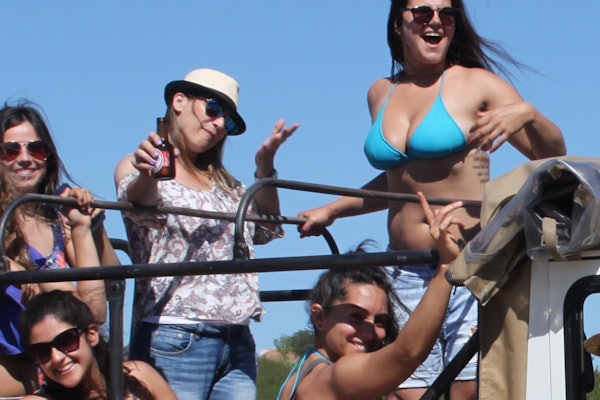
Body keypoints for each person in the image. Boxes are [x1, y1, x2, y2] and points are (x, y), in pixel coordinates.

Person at [298, 1, 566, 399]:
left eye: (447, 14)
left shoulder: (478, 83)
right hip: (402, 268)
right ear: (398, 23)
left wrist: (528, 114)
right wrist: (333, 209)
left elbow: (552, 154)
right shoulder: (379, 92)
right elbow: (399, 181)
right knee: (409, 391)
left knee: (467, 390)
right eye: (423, 12)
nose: (436, 21)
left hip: (464, 261)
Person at [114, 67, 299, 400]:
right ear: (179, 101)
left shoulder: (227, 184)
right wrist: (148, 175)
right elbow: (139, 205)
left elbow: (267, 229)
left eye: (228, 122)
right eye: (213, 109)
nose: (218, 124)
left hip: (237, 338)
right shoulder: (137, 164)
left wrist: (264, 167)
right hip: (174, 332)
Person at [278, 193, 464, 400]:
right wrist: (446, 266)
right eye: (356, 316)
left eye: (380, 321)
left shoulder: (304, 373)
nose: (369, 332)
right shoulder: (330, 379)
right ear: (319, 317)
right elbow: (406, 354)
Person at [0, 101, 118, 396]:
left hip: (59, 363)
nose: (25, 159)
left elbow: (95, 310)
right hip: (16, 370)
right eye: (10, 150)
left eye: (36, 149)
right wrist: (9, 267)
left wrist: (87, 226)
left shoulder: (57, 217)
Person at [19, 289, 176, 400]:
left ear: (91, 335)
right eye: (42, 351)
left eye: (65, 341)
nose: (56, 358)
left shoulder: (140, 376)